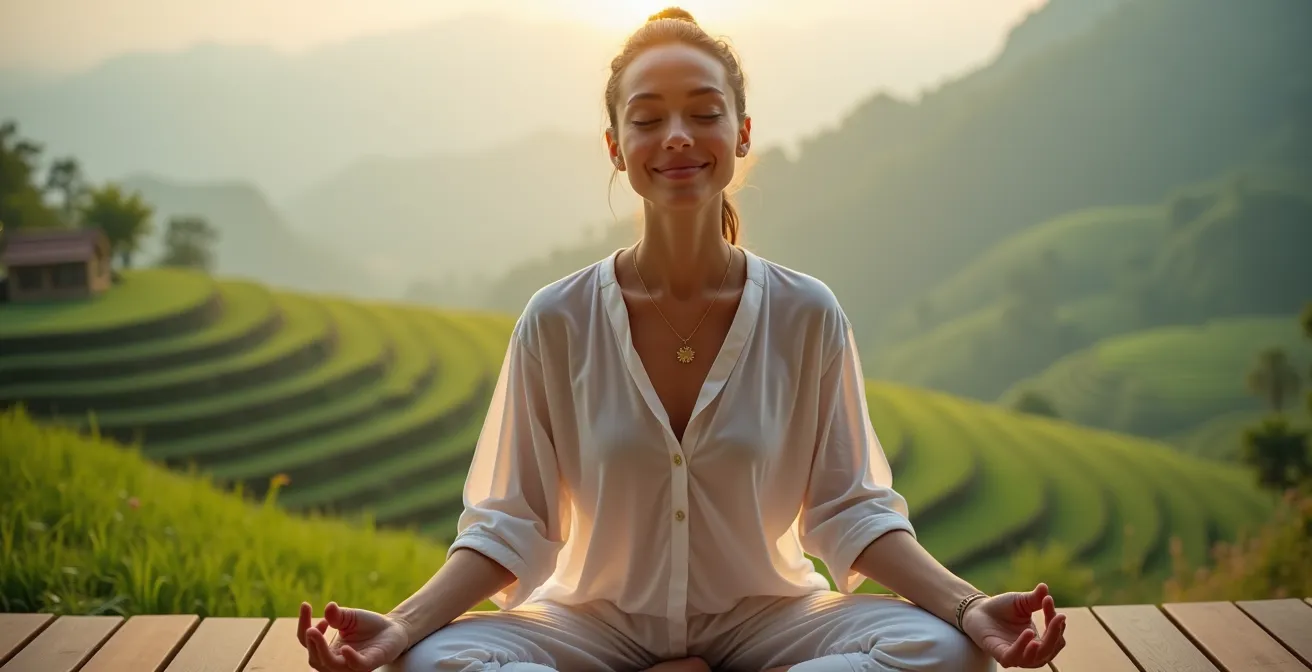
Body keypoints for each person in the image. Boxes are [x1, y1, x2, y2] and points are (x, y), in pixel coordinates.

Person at [297, 7, 1068, 671]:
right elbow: (511, 521)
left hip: (769, 618)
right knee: (436, 661)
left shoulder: (807, 313)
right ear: (613, 145)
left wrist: (967, 609)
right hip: (594, 623)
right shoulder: (557, 321)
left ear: (741, 135)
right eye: (647, 117)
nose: (677, 137)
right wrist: (402, 624)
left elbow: (849, 506)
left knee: (949, 653)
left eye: (703, 112)